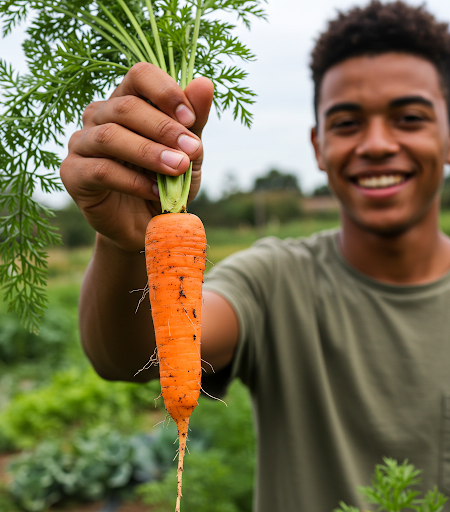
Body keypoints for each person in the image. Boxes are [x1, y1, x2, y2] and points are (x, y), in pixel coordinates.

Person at [60, 1, 450, 510]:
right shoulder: (276, 280)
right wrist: (124, 242)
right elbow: (127, 359)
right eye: (347, 123)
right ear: (317, 145)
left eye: (409, 117)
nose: (376, 144)